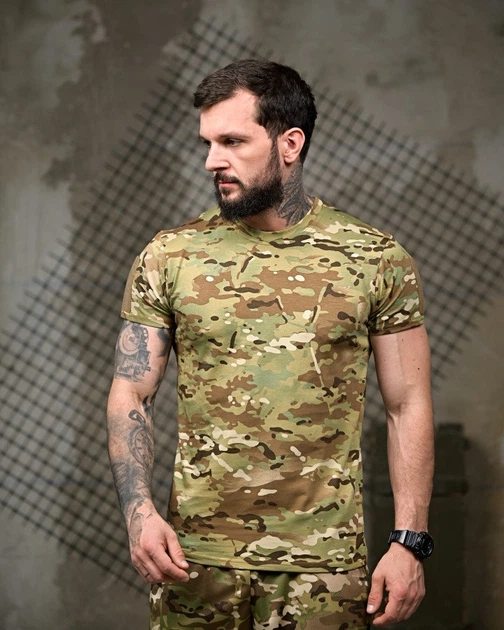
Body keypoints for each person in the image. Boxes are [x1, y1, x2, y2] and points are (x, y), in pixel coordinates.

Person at [107, 59, 434, 629]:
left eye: (233, 141)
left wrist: (410, 541)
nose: (212, 161)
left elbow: (408, 405)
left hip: (326, 568)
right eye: (208, 143)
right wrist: (138, 513)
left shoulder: (374, 258)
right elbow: (131, 393)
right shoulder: (171, 255)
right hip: (196, 563)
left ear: (290, 143)